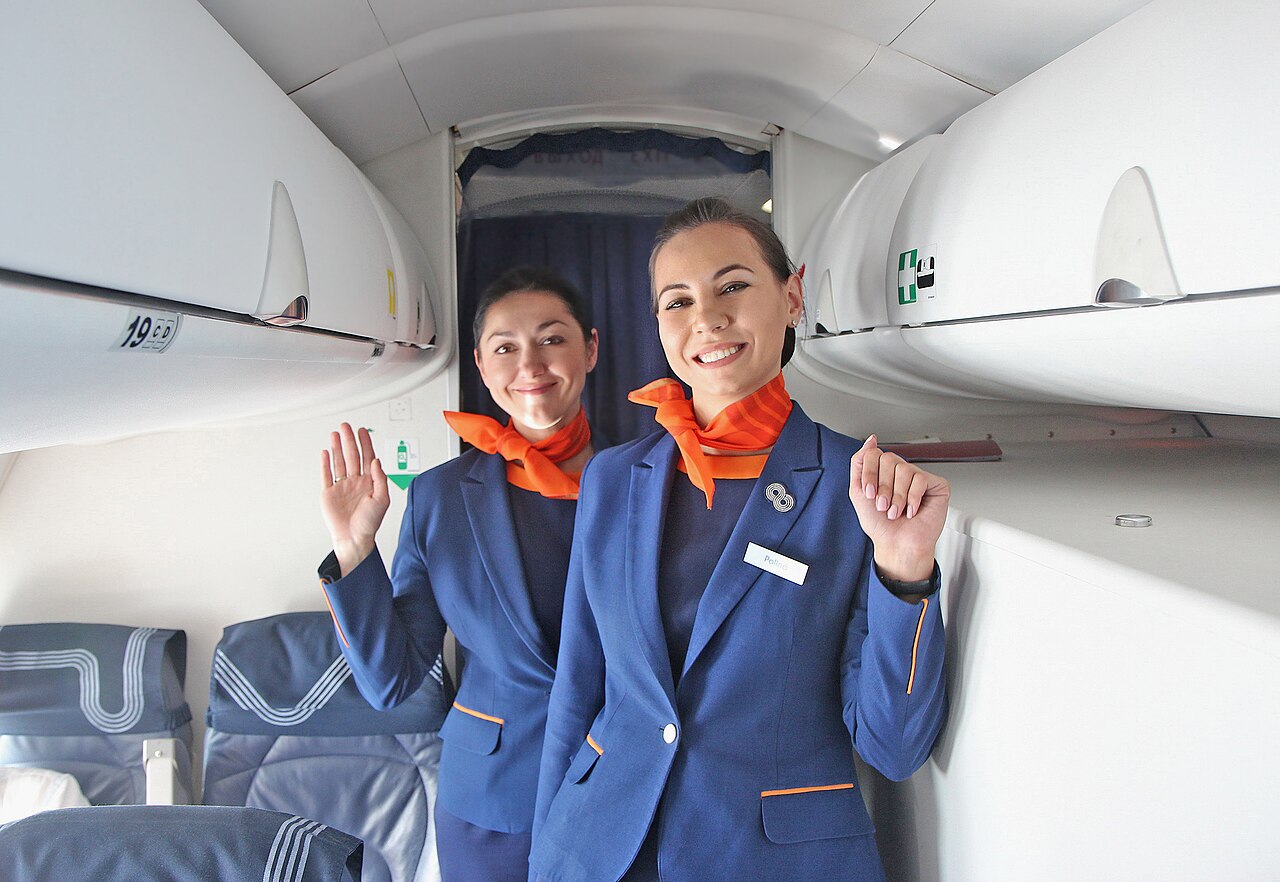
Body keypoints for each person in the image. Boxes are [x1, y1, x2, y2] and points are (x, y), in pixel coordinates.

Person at [530, 198, 949, 882]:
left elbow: (894, 747)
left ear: (791, 296)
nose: (707, 319)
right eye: (677, 301)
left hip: (768, 859)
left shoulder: (856, 485)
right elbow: (578, 688)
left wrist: (906, 571)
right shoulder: (613, 478)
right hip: (600, 848)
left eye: (733, 286)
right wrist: (548, 850)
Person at [317, 266, 602, 882]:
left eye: (553, 338)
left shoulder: (648, 480)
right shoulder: (441, 497)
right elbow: (391, 681)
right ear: (480, 364)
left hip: (618, 784)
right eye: (505, 347)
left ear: (591, 348)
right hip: (491, 799)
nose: (530, 364)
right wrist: (355, 545)